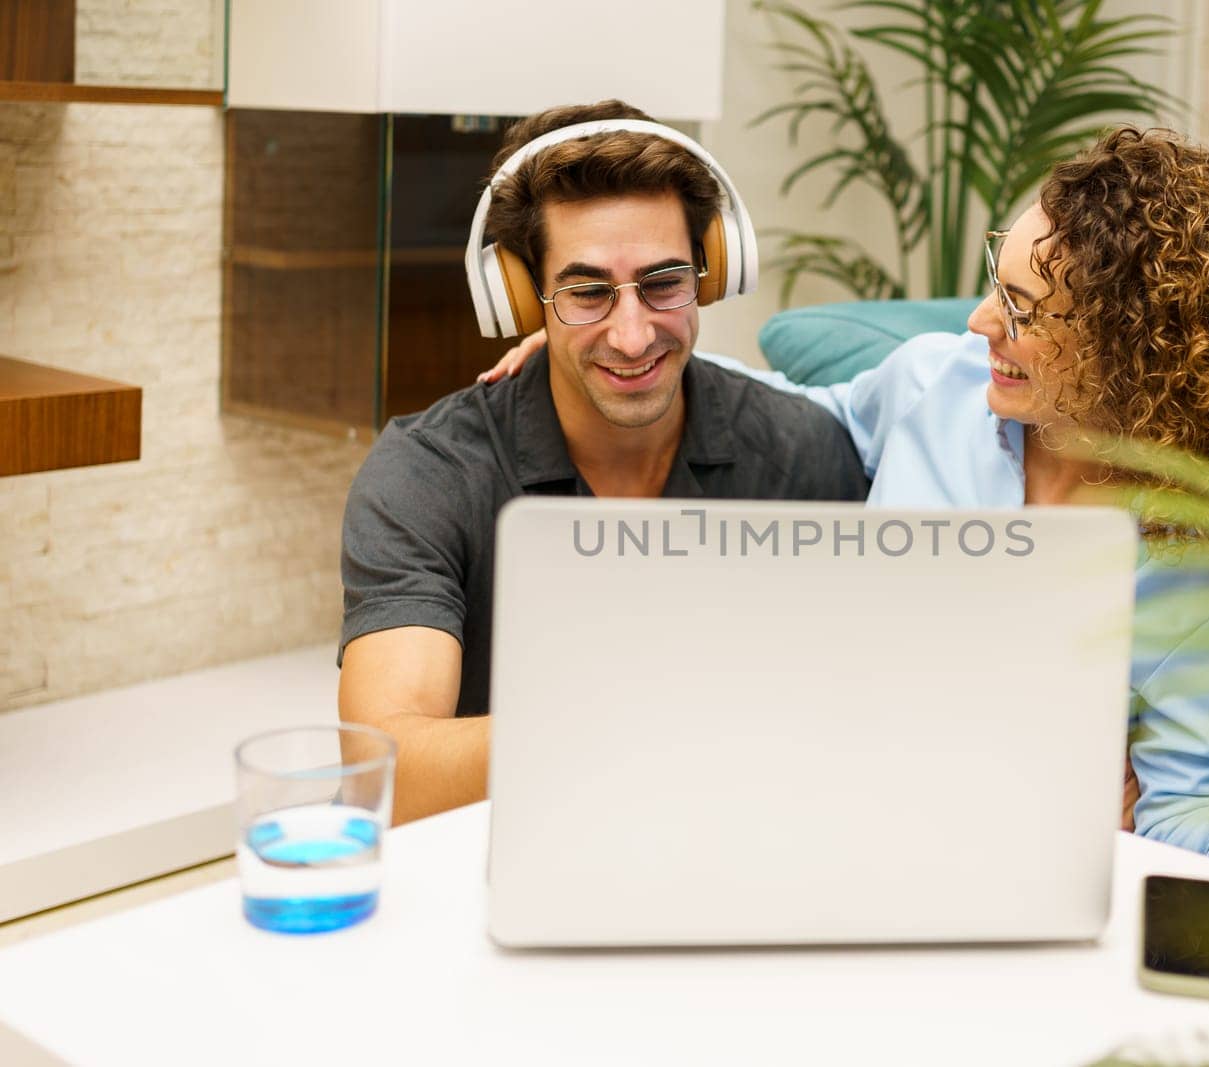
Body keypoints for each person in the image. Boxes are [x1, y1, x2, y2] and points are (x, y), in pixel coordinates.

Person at [486, 127, 1209, 915]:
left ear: (1143, 351)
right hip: (810, 790)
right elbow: (781, 420)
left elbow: (1177, 818)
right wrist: (618, 355)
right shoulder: (934, 384)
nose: (978, 321)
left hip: (994, 860)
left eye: (1028, 311)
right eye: (998, 285)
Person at [339, 101, 869, 826]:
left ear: (710, 276)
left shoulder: (799, 450)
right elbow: (386, 772)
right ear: (524, 297)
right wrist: (639, 722)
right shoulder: (427, 474)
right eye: (587, 292)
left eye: (664, 283)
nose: (631, 334)